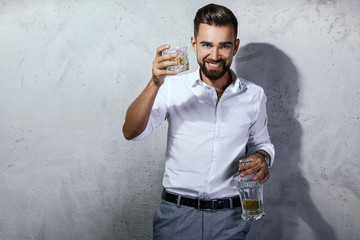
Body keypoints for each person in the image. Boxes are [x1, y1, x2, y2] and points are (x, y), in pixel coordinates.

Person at [123, 3, 275, 240]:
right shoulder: (171, 87)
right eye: (206, 45)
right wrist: (154, 83)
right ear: (194, 44)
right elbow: (131, 131)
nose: (214, 56)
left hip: (231, 218)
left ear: (235, 46)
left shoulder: (254, 95)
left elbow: (262, 143)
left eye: (224, 46)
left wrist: (262, 157)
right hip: (177, 217)